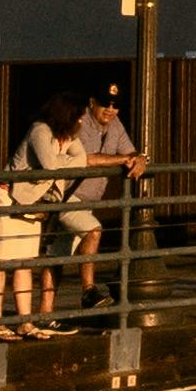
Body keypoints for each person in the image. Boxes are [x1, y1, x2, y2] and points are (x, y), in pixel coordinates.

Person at [0, 87, 92, 334]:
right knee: (1, 263)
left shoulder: (67, 137)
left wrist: (65, 162)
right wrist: (66, 163)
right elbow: (49, 165)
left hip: (33, 203)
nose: (81, 121)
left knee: (25, 263)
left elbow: (82, 159)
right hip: (10, 199)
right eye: (78, 116)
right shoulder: (41, 130)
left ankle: (24, 322)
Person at [70, 79, 144, 302]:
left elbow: (130, 152)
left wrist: (140, 158)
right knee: (93, 231)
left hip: (88, 200)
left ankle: (46, 312)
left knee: (57, 255)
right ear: (92, 103)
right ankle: (88, 291)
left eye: (115, 105)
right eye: (105, 104)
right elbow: (88, 159)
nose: (111, 110)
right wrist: (126, 159)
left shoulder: (115, 124)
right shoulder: (78, 122)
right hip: (66, 195)